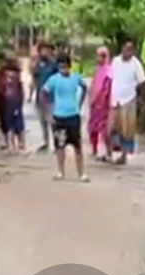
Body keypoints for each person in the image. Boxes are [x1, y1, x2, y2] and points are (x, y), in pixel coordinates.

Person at [41, 54, 89, 182]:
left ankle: (81, 173)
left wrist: (80, 103)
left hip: (73, 116)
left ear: (70, 66)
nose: (63, 69)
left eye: (65, 66)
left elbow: (84, 87)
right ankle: (60, 171)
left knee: (77, 146)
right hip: (59, 117)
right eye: (61, 66)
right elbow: (43, 92)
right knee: (60, 146)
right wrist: (48, 112)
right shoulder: (54, 80)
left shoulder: (75, 78)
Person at [109, 40, 145, 165]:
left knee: (127, 129)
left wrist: (142, 99)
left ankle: (124, 154)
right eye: (126, 49)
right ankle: (111, 152)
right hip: (115, 100)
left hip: (129, 99)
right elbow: (110, 78)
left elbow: (142, 82)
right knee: (113, 127)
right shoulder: (115, 61)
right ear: (122, 49)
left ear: (133, 51)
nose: (127, 52)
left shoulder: (136, 64)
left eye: (130, 50)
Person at [0, 52, 26, 153]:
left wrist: (21, 99)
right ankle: (9, 144)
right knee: (5, 122)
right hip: (3, 100)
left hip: (13, 99)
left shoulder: (14, 73)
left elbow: (19, 87)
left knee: (16, 122)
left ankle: (20, 143)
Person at [30, 41, 60, 152]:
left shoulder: (54, 64)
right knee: (42, 121)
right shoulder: (38, 63)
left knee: (53, 120)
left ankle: (57, 143)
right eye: (42, 49)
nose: (44, 52)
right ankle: (45, 142)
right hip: (40, 96)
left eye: (47, 49)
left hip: (52, 97)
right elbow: (33, 76)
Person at [87, 46, 114, 162]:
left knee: (105, 130)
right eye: (98, 55)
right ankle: (94, 149)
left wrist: (102, 100)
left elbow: (107, 88)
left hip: (104, 105)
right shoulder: (97, 70)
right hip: (94, 104)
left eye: (102, 55)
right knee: (92, 128)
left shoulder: (109, 70)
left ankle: (108, 152)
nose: (99, 58)